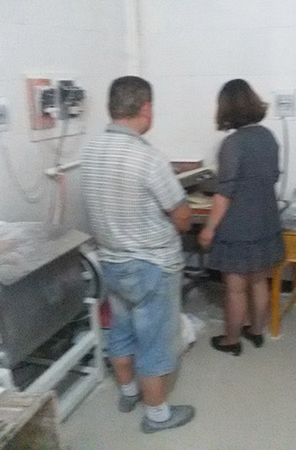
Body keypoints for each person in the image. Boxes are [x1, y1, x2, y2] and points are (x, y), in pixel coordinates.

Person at [80, 76, 195, 433]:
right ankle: (157, 414)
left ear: (111, 107)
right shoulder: (149, 158)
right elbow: (182, 217)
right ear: (146, 108)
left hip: (111, 261)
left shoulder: (90, 151)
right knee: (155, 339)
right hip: (152, 266)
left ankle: (128, 392)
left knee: (121, 329)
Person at [198, 79, 285, 356]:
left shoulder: (232, 143)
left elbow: (225, 192)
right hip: (266, 219)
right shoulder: (268, 137)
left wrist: (209, 228)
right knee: (259, 281)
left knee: (235, 289)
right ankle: (256, 331)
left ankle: (231, 340)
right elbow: (272, 176)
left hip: (239, 226)